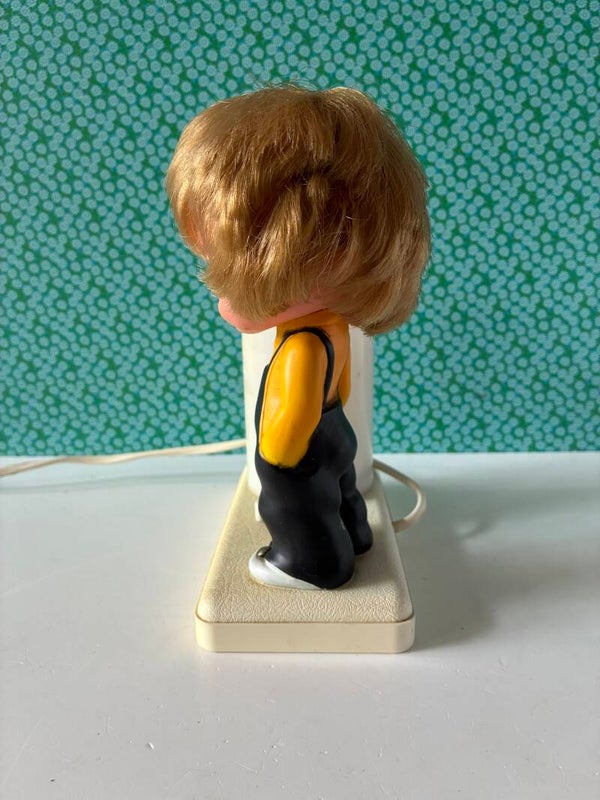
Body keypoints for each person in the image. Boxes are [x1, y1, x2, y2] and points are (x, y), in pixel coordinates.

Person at [166, 85, 430, 589]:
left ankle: (310, 564)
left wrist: (277, 462)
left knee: (296, 508)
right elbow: (342, 384)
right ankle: (356, 533)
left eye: (227, 270)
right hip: (335, 430)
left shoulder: (302, 345)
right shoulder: (332, 327)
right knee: (342, 490)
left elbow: (288, 420)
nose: (220, 292)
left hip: (299, 449)